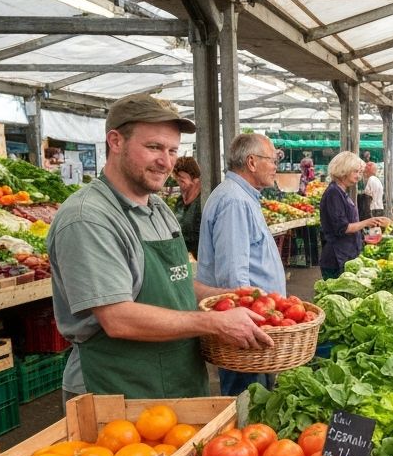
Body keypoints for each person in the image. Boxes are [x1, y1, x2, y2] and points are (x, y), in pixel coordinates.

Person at [48, 93, 271, 402]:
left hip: (176, 378)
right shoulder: (89, 217)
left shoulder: (158, 208)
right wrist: (213, 322)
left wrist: (232, 297)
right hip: (116, 387)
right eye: (154, 147)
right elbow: (117, 318)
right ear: (115, 141)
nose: (166, 162)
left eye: (172, 150)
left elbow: (176, 283)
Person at [197, 133, 288, 397]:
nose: (275, 167)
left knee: (258, 398)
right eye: (272, 160)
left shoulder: (242, 197)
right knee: (247, 401)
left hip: (256, 324)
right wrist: (244, 322)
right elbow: (233, 276)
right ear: (251, 162)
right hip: (246, 331)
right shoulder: (234, 201)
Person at [320, 150, 390, 279]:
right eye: (356, 172)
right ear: (343, 170)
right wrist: (367, 222)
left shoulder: (341, 192)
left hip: (346, 254)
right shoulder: (334, 193)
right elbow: (342, 228)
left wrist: (367, 231)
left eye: (360, 172)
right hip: (337, 258)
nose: (359, 176)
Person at [172, 155, 202, 257]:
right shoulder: (180, 201)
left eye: (182, 180)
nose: (179, 184)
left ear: (195, 179)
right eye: (177, 180)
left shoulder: (203, 201)